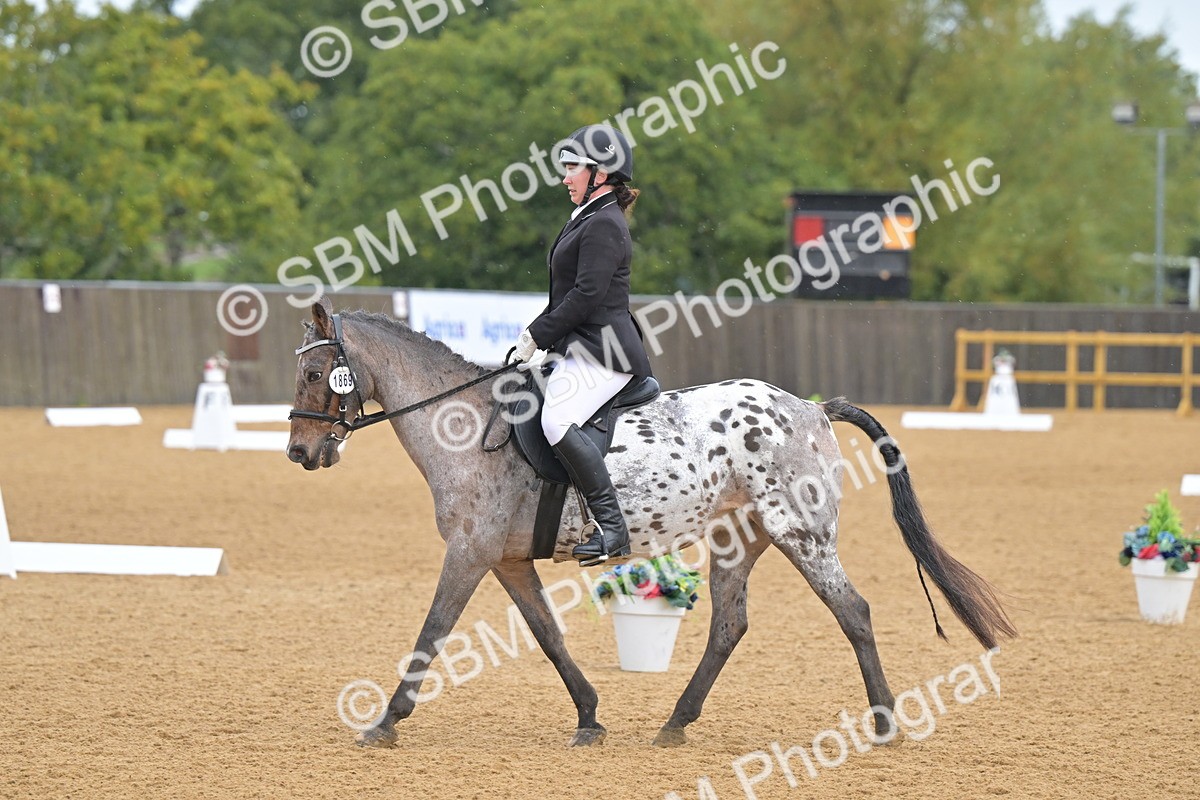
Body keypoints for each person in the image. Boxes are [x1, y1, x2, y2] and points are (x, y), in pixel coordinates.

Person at [511, 124, 654, 566]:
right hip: (581, 345)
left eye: (572, 167)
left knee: (556, 420)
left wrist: (537, 334)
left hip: (604, 350)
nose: (565, 176)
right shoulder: (589, 215)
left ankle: (612, 529)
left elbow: (587, 296)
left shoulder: (605, 223)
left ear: (601, 172)